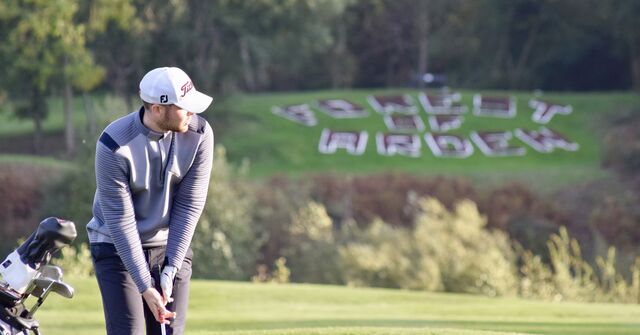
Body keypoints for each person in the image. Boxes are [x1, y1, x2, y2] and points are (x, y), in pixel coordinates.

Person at [87, 67, 214, 335]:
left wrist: (171, 266)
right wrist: (145, 286)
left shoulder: (200, 133)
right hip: (115, 247)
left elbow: (189, 204)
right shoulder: (113, 144)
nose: (192, 113)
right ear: (157, 108)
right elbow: (121, 222)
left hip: (169, 245)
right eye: (184, 107)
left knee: (169, 332)